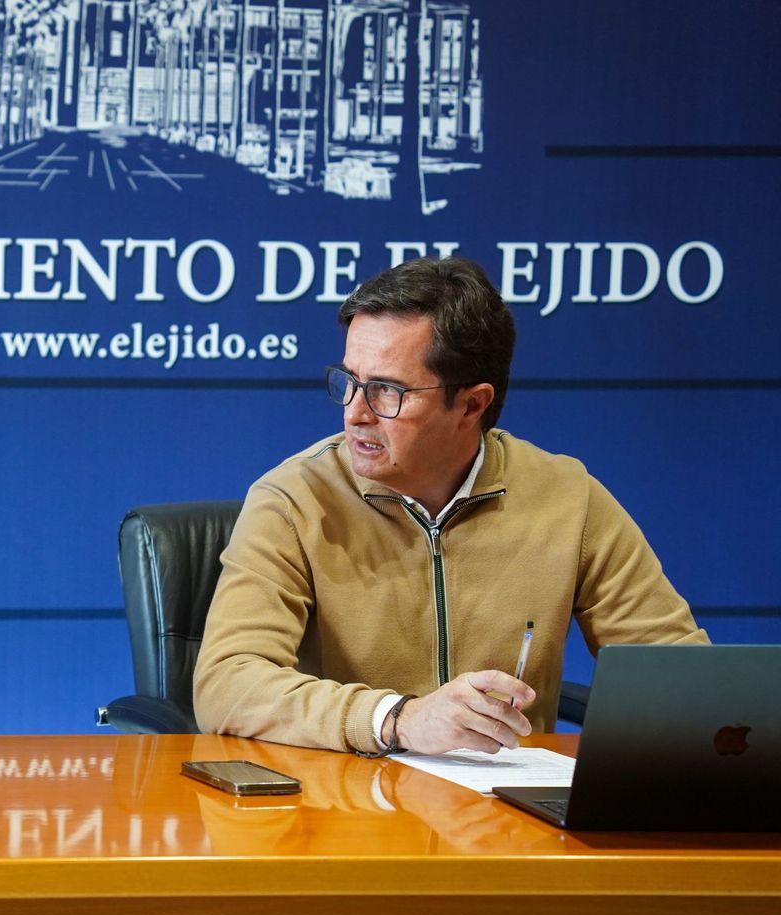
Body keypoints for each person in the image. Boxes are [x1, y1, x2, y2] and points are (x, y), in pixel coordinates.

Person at [193, 256, 706, 756]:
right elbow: (227, 682)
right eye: (348, 381)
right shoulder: (295, 500)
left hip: (508, 820)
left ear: (471, 404)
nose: (355, 413)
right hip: (345, 807)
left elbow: (682, 678)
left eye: (386, 391)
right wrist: (398, 719)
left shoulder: (569, 498)